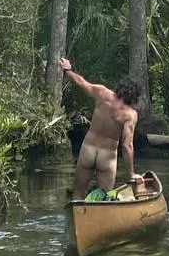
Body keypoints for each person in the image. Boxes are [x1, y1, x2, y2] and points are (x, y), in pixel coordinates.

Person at [60, 59, 144, 199]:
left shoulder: (103, 93)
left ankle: (76, 218)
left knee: (78, 193)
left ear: (120, 87)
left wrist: (67, 70)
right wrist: (131, 173)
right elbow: (127, 145)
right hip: (107, 156)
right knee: (105, 198)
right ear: (134, 97)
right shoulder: (130, 114)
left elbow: (81, 82)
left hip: (88, 149)